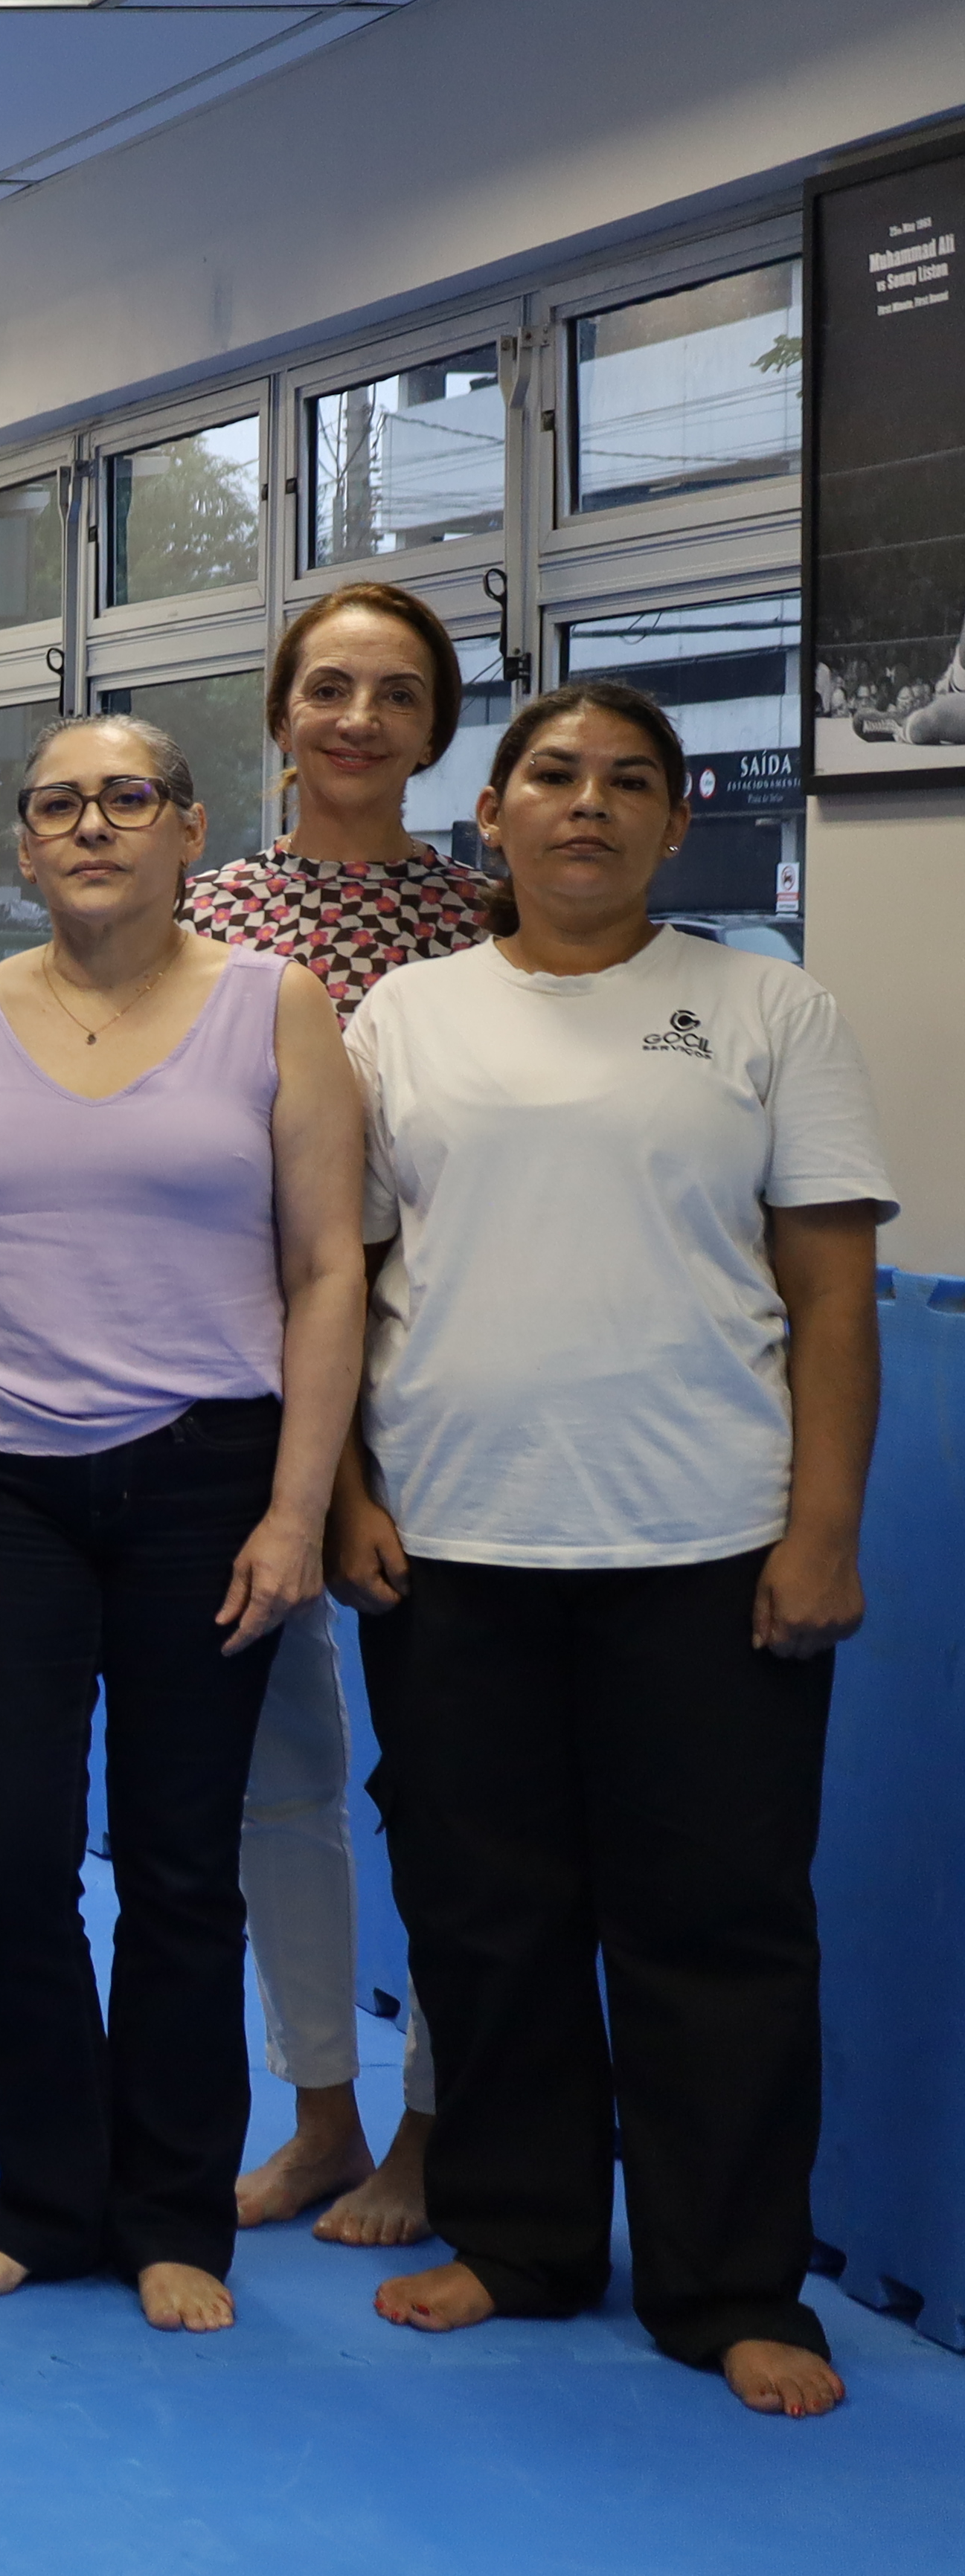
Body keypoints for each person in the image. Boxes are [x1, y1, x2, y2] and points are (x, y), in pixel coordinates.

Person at [344, 681, 889, 2421]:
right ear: (487, 817)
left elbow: (828, 1293)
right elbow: (331, 1280)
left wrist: (820, 1532)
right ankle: (517, 2238)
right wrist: (348, 1492)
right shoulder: (399, 1021)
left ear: (674, 822)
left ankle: (730, 2281)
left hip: (704, 1549)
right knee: (482, 1918)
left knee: (714, 1931)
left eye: (626, 783)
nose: (586, 805)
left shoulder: (763, 1008)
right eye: (552, 777)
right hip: (452, 1543)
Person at [0, 714, 362, 2334]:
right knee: (6, 1857)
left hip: (206, 1477)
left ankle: (170, 2209)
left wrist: (298, 1504)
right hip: (1, 1482)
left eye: (125, 798)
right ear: (20, 844)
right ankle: (46, 2194)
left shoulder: (272, 1009)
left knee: (176, 1865)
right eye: (58, 803)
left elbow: (324, 1269)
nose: (92, 825)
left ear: (188, 827)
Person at [178, 584, 496, 2245]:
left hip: (450, 1404)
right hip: (249, 1395)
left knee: (448, 1786)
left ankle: (436, 2126)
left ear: (439, 725)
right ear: (281, 713)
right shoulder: (208, 919)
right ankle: (319, 2108)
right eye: (327, 688)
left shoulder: (498, 922)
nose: (358, 719)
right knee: (281, 1777)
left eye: (394, 692)